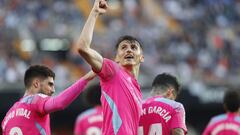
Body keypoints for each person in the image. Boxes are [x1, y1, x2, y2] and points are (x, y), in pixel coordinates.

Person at [77, 0, 144, 134]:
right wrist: (94, 13)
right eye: (123, 47)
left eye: (133, 47)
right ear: (116, 58)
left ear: (141, 57)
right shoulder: (113, 70)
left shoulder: (136, 87)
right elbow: (83, 47)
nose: (129, 50)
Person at [1, 65, 95, 135]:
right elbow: (59, 103)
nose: (53, 90)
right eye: (50, 84)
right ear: (36, 84)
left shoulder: (8, 115)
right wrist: (86, 79)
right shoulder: (35, 100)